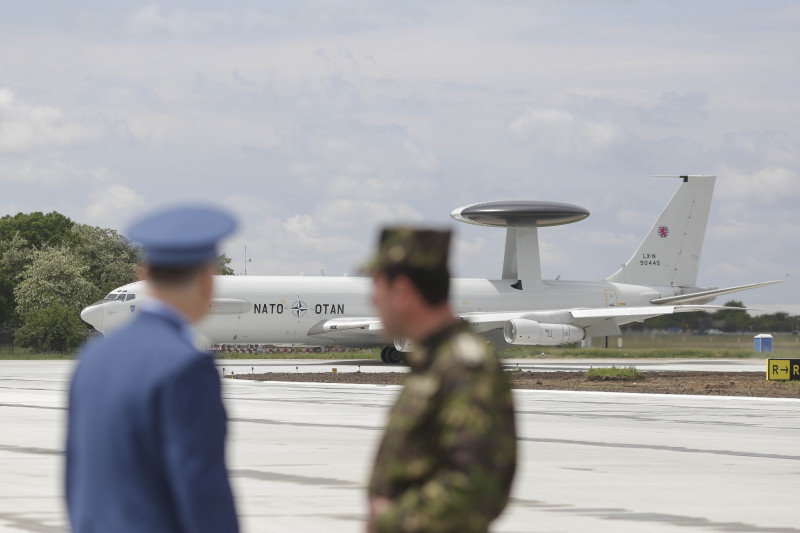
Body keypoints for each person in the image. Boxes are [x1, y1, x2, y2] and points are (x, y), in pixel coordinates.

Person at [66, 206, 239, 533]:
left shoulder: (93, 357)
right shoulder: (186, 364)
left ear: (142, 275)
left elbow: (75, 479)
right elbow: (201, 488)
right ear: (207, 281)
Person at [363, 228, 517, 533]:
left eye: (378, 288)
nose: (373, 300)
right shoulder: (432, 362)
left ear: (403, 292)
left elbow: (475, 489)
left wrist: (391, 520)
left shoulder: (465, 369)